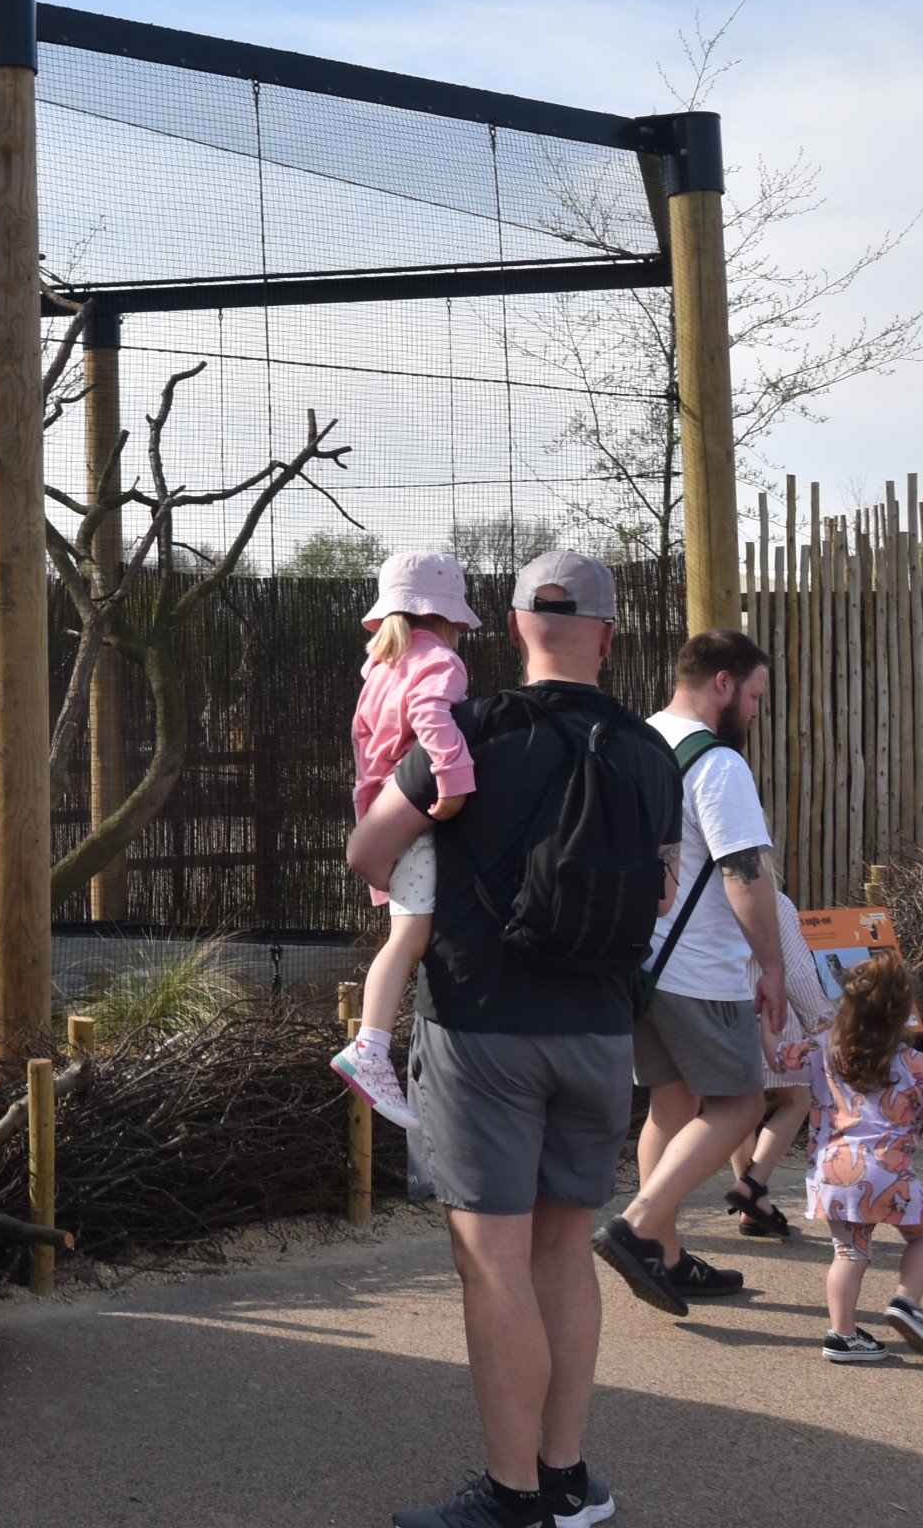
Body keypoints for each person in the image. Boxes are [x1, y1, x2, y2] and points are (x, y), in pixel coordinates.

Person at [348, 549, 677, 1528]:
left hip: (480, 1027)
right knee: (564, 1250)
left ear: (514, 625)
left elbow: (369, 847)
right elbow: (657, 890)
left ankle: (511, 1499)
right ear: (608, 638)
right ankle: (568, 1479)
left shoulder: (472, 728)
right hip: (598, 1032)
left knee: (492, 1261)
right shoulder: (649, 751)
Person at [595, 630, 792, 1315]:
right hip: (701, 967)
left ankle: (668, 1257)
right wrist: (771, 963)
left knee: (671, 1104)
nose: (757, 713)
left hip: (638, 964)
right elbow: (744, 871)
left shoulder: (635, 738)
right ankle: (639, 1226)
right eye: (756, 696)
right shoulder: (719, 765)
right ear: (723, 683)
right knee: (739, 1105)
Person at [331, 550, 483, 1132]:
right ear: (446, 617)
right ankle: (370, 1046)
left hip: (382, 815)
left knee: (413, 932)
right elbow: (431, 719)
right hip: (414, 818)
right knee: (409, 936)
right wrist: (453, 784)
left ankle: (375, 1045)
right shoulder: (438, 661)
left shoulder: (380, 669)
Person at [775, 950, 923, 1363]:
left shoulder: (825, 1047)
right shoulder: (914, 1063)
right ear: (904, 1011)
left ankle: (842, 1336)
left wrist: (764, 1021)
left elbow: (779, 1060)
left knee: (849, 1254)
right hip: (889, 1171)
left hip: (833, 1170)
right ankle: (906, 1302)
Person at [723, 880, 837, 1240]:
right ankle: (753, 1186)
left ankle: (754, 1208)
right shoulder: (771, 901)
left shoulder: (706, 898)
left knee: (735, 1105)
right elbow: (798, 968)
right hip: (772, 1016)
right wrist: (824, 1023)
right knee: (795, 1100)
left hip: (720, 1012)